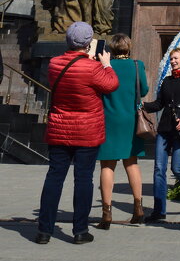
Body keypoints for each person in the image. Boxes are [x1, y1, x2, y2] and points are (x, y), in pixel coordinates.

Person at [36, 21, 119, 245]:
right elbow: (111, 85)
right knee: (83, 179)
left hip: (59, 129)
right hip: (86, 131)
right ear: (88, 43)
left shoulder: (54, 64)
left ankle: (44, 231)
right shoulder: (93, 68)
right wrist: (106, 65)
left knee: (54, 178)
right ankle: (80, 231)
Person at [96, 33, 148, 228]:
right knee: (132, 162)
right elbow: (143, 90)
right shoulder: (137, 65)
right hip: (131, 119)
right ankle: (138, 208)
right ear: (128, 47)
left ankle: (106, 214)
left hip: (108, 119)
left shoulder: (105, 66)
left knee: (107, 165)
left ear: (111, 48)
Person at [143, 47, 180, 222]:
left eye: (176, 58)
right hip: (165, 129)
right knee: (159, 169)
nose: (173, 61)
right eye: (171, 59)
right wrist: (142, 106)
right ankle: (159, 211)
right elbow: (159, 103)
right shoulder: (167, 81)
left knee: (177, 167)